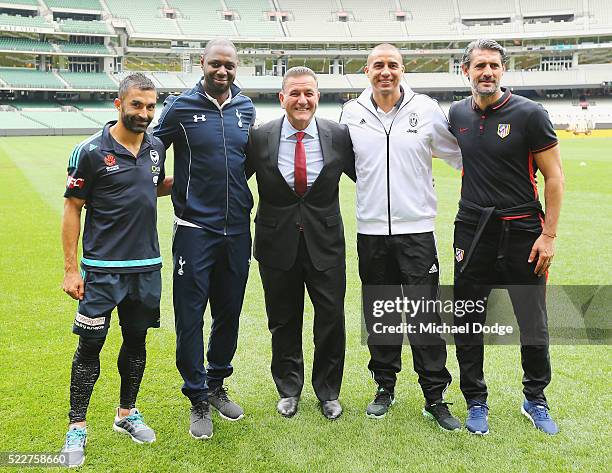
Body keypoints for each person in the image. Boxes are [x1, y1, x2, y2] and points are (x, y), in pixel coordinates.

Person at [340, 43, 463, 430]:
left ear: (403, 69)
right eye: (378, 65)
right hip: (371, 231)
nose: (385, 72)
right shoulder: (351, 113)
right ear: (367, 71)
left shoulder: (425, 109)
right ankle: (384, 387)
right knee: (382, 314)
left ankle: (435, 397)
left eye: (392, 65)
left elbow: (458, 156)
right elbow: (349, 165)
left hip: (417, 232)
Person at [448, 39, 564, 435]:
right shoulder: (457, 113)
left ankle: (535, 399)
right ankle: (475, 401)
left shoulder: (530, 113)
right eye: (480, 65)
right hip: (472, 230)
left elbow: (555, 177)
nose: (488, 72)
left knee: (532, 321)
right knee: (467, 321)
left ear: (502, 70)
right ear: (466, 70)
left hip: (524, 232)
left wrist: (548, 235)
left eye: (494, 65)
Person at [60, 73, 171, 467]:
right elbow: (73, 208)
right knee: (89, 348)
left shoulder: (157, 147)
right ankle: (77, 426)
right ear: (119, 104)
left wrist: (185, 182)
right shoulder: (90, 151)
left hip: (146, 268)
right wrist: (72, 270)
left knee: (136, 343)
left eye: (150, 106)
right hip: (102, 272)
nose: (144, 113)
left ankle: (126, 414)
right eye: (136, 105)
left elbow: (149, 185)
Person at [153, 39, 255, 440]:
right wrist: (167, 188)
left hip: (237, 231)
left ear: (236, 65)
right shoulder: (180, 107)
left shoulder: (245, 109)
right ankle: (196, 396)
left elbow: (244, 164)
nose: (223, 71)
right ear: (203, 64)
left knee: (228, 313)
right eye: (216, 64)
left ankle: (216, 384)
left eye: (229, 65)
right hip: (195, 231)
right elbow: (151, 149)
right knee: (190, 317)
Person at [246, 67, 355, 420]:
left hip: (326, 244)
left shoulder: (339, 135)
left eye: (308, 93)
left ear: (317, 97)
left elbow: (369, 174)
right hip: (276, 243)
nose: (302, 100)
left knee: (331, 319)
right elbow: (232, 178)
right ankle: (289, 389)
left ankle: (328, 392)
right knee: (283, 320)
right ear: (282, 98)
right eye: (294, 93)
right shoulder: (259, 137)